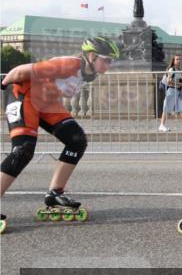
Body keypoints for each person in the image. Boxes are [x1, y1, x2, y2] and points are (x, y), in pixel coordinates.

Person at [0, 36, 121, 229]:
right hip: (25, 98)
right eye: (107, 60)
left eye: (112, 61)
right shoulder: (66, 65)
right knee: (23, 150)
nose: (110, 65)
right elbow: (19, 70)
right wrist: (3, 84)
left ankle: (55, 193)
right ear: (91, 55)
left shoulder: (90, 73)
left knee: (77, 140)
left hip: (47, 104)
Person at [158, 55, 182, 132]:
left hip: (177, 92)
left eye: (180, 59)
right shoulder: (172, 69)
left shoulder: (179, 70)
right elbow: (169, 81)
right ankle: (162, 125)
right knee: (167, 109)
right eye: (177, 59)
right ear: (173, 61)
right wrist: (180, 84)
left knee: (181, 109)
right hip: (172, 91)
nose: (179, 60)